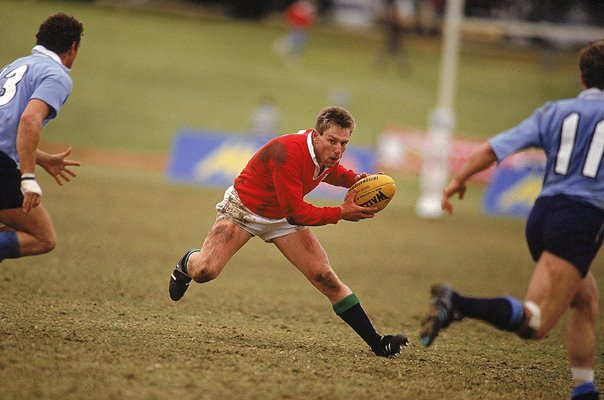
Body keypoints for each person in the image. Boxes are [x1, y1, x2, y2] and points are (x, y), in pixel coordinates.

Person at [420, 39, 604, 400]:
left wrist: (458, 179)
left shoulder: (554, 111)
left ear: (582, 78)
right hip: (579, 220)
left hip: (542, 216)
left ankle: (584, 389)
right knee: (536, 324)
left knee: (585, 300)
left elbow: (493, 148)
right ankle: (457, 303)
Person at [169, 106, 408, 357]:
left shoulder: (325, 153)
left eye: (344, 143)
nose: (338, 149)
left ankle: (378, 343)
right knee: (206, 271)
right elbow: (297, 213)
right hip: (243, 210)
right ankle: (187, 262)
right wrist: (341, 212)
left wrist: (359, 180)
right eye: (333, 141)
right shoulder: (287, 152)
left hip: (281, 217)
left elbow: (332, 172)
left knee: (325, 277)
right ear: (317, 136)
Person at [0, 13, 83, 261]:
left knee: (8, 229)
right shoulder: (56, 75)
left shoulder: (14, 66)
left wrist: (41, 158)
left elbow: (7, 126)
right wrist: (28, 177)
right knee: (42, 238)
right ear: (73, 48)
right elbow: (28, 120)